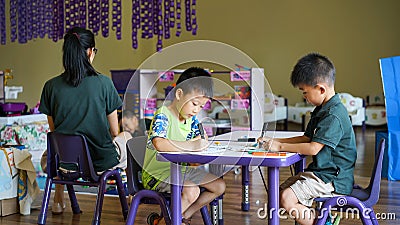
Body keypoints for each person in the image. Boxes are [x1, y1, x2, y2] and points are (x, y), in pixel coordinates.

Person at [39, 27, 130, 215]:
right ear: (90, 52)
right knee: (127, 137)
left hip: (64, 163)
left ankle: (58, 199)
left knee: (52, 151)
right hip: (99, 163)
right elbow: (114, 132)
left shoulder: (50, 86)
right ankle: (130, 198)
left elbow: (56, 130)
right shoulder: (104, 83)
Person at [259, 53, 357, 225]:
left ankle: (324, 223)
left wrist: (280, 146)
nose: (305, 97)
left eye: (305, 92)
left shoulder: (334, 115)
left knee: (286, 198)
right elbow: (306, 138)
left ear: (321, 89)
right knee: (278, 191)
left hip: (333, 179)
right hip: (322, 173)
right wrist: (274, 141)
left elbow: (312, 148)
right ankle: (320, 218)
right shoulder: (323, 108)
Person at [142, 67, 226, 225]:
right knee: (192, 190)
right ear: (179, 94)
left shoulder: (191, 120)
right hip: (157, 175)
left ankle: (182, 217)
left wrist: (202, 142)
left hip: (181, 171)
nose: (196, 110)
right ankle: (166, 222)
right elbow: (159, 143)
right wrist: (191, 146)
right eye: (194, 103)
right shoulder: (163, 114)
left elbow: (199, 140)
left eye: (201, 107)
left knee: (219, 186)